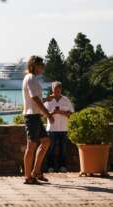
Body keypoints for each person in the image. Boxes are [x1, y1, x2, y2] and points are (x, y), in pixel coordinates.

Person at [22, 55, 54, 184]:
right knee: (31, 147)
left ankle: (36, 171)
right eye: (41, 65)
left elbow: (35, 99)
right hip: (31, 116)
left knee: (45, 142)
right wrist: (48, 114)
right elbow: (34, 98)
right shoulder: (30, 78)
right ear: (34, 65)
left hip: (35, 116)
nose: (43, 68)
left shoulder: (33, 79)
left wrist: (46, 100)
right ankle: (28, 177)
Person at [44, 81, 74, 173]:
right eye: (55, 89)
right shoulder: (48, 100)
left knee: (63, 149)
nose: (57, 91)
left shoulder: (66, 100)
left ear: (61, 89)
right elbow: (44, 114)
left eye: (59, 89)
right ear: (52, 89)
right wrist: (53, 113)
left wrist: (60, 112)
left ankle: (62, 166)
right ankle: (50, 167)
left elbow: (71, 113)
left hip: (64, 128)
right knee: (51, 149)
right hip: (51, 129)